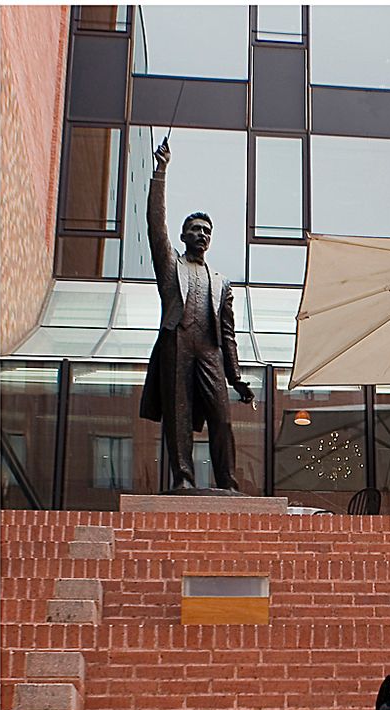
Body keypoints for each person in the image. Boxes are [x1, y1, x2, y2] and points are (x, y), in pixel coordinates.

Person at [139, 139, 255, 491]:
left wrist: (235, 378)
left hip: (210, 352)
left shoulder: (221, 282)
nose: (201, 234)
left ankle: (228, 482)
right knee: (179, 416)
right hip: (177, 343)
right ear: (183, 235)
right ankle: (183, 479)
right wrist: (161, 170)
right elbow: (154, 222)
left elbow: (229, 334)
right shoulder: (170, 265)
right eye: (195, 229)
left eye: (207, 231)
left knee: (221, 419)